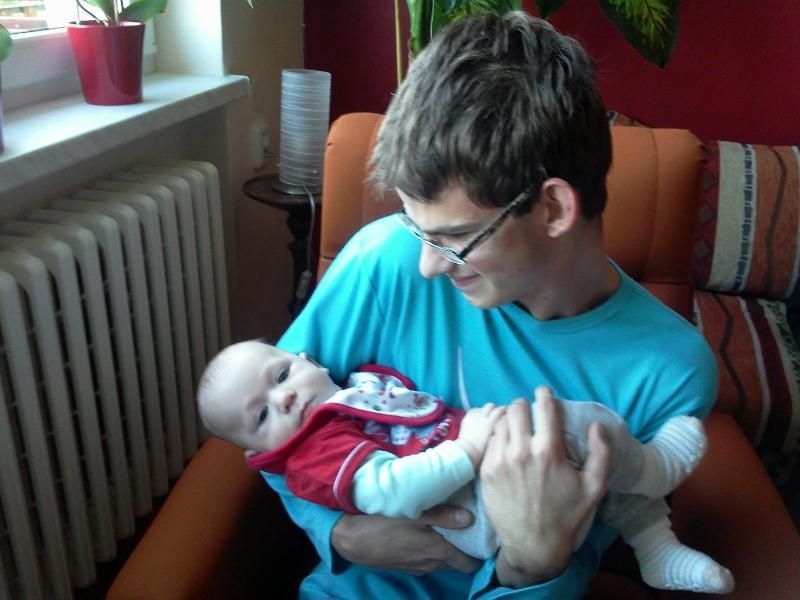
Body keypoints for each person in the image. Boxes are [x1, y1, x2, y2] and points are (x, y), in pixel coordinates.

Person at [263, 10, 720, 599]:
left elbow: (585, 552)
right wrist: (338, 530)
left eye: (454, 237)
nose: (428, 265)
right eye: (416, 226)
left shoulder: (669, 369)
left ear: (553, 209)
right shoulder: (385, 261)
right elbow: (262, 423)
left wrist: (531, 562)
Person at [198, 340, 733, 593]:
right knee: (568, 424)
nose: (286, 397)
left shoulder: (358, 387)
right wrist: (469, 450)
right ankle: (658, 468)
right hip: (467, 512)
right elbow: (391, 490)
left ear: (305, 359)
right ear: (258, 453)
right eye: (262, 415)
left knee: (585, 466)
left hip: (496, 497)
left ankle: (655, 546)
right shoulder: (316, 450)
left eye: (282, 375)